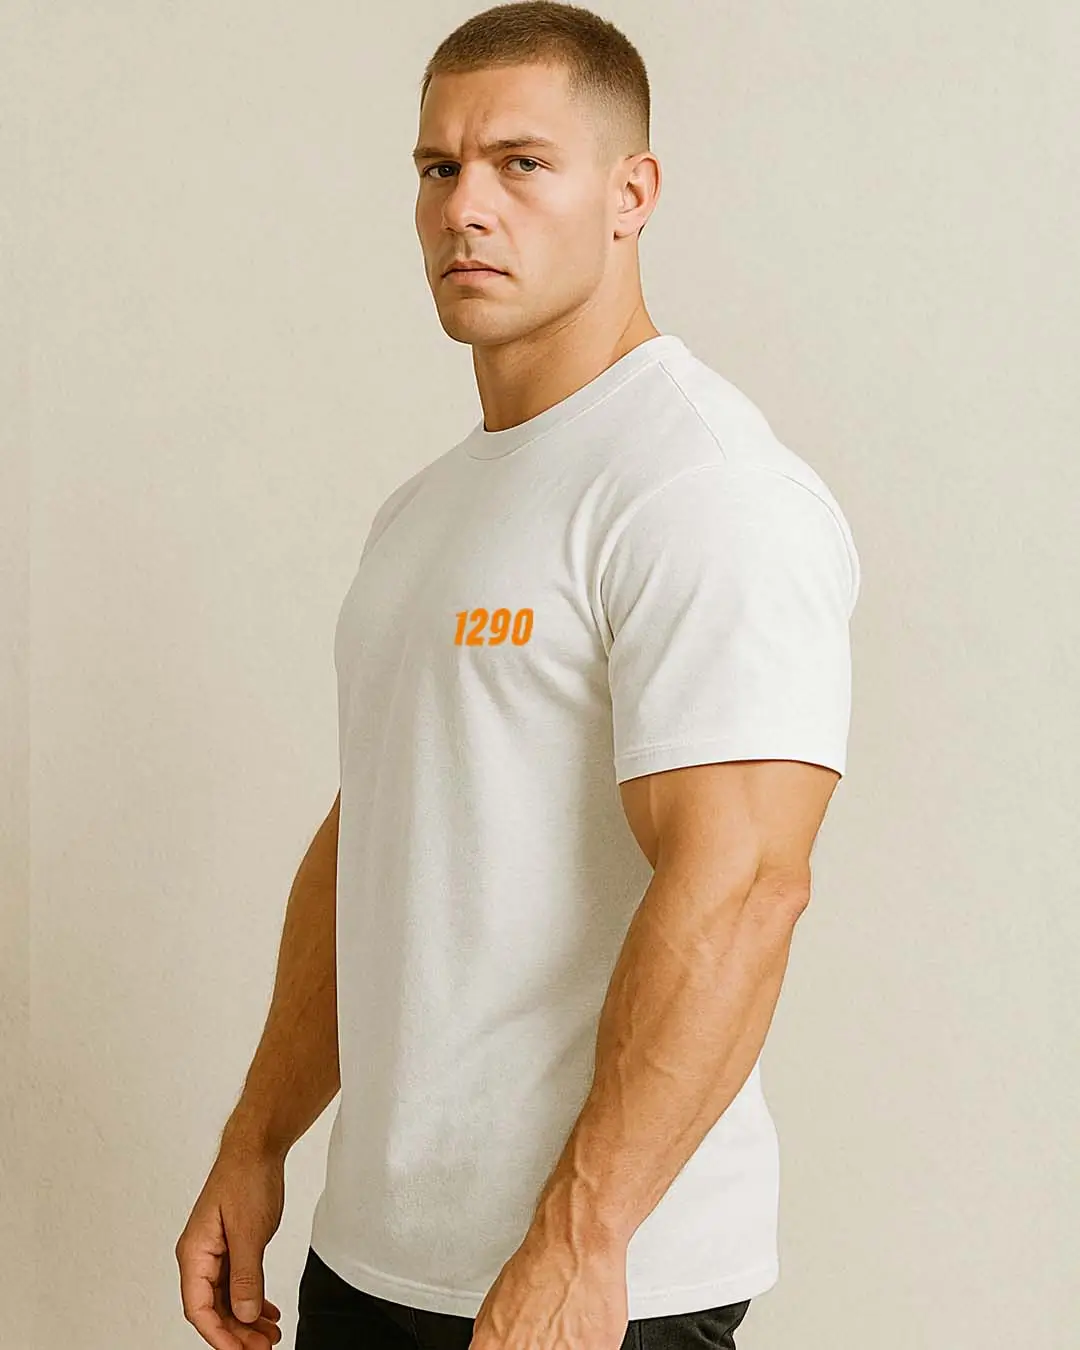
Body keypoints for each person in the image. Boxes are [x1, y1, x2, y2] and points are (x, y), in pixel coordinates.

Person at [175, 4, 861, 1348]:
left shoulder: (702, 488)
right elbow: (379, 829)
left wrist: (580, 1241)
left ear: (632, 194)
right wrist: (257, 1137)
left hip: (595, 1281)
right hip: (372, 1259)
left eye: (521, 163)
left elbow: (744, 887)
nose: (466, 209)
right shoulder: (427, 508)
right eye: (439, 168)